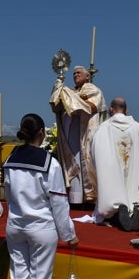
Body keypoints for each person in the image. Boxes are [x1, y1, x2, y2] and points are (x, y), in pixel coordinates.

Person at [3, 113, 79, 279]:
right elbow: (59, 204)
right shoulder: (49, 163)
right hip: (41, 228)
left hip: (16, 226)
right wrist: (69, 235)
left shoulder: (11, 159)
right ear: (42, 132)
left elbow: (9, 196)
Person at [49, 65, 106, 206]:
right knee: (73, 162)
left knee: (87, 163)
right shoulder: (70, 92)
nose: (75, 75)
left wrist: (69, 95)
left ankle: (90, 197)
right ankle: (75, 199)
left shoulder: (93, 90)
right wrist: (59, 87)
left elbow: (91, 107)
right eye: (74, 73)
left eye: (79, 73)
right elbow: (56, 105)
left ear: (88, 76)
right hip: (71, 135)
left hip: (86, 134)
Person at [90, 97, 139, 230]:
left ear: (111, 109)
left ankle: (115, 211)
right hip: (134, 178)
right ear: (126, 110)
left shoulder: (104, 128)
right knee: (134, 190)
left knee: (113, 186)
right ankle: (135, 211)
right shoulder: (138, 128)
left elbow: (95, 152)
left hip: (113, 176)